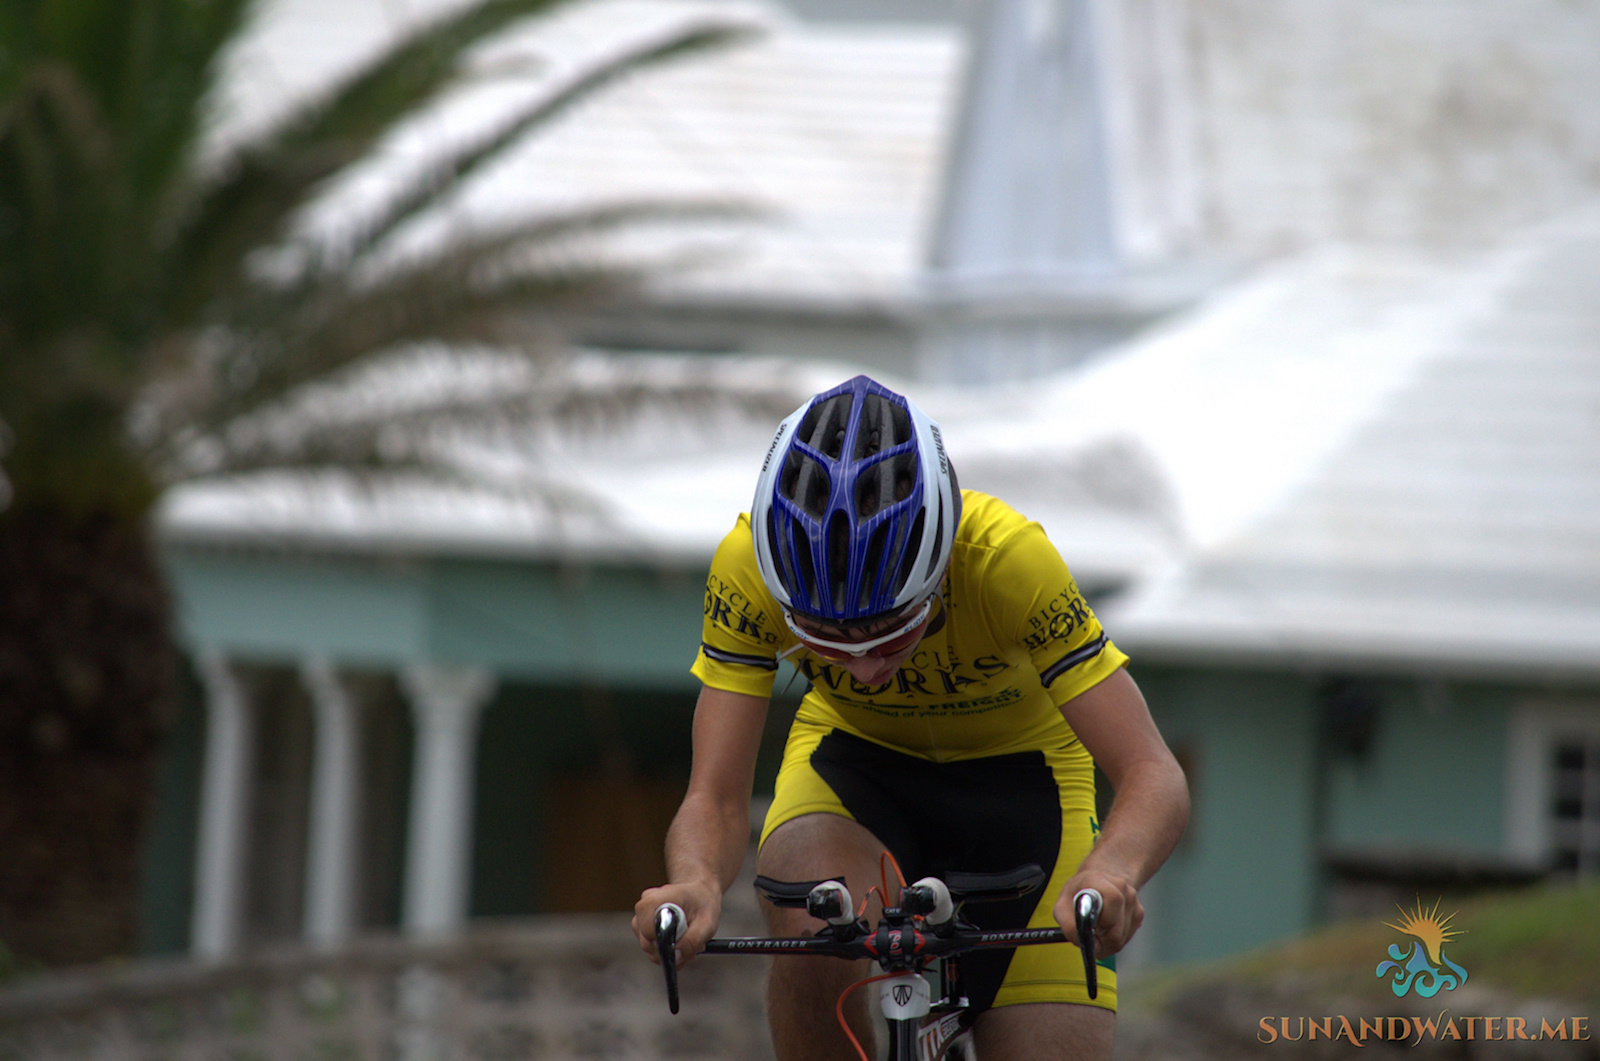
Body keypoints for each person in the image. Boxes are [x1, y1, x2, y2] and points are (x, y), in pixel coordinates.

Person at [632, 375, 1189, 1060]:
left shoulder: (1007, 560)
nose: (864, 667)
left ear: (943, 565)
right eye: (827, 641)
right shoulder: (746, 569)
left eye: (894, 632)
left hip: (1026, 789)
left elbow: (1152, 771)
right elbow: (713, 797)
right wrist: (693, 879)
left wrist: (1113, 871)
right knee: (812, 904)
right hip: (855, 767)